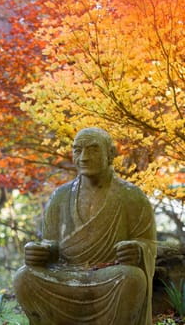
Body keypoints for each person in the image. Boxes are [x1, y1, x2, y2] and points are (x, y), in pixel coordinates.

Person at [14, 127, 156, 325]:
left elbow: (148, 242)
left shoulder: (131, 196)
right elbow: (51, 243)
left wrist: (139, 250)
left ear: (110, 154)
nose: (84, 157)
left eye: (93, 149)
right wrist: (41, 251)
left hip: (108, 277)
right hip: (67, 274)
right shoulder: (60, 196)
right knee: (24, 277)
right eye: (77, 150)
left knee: (132, 278)